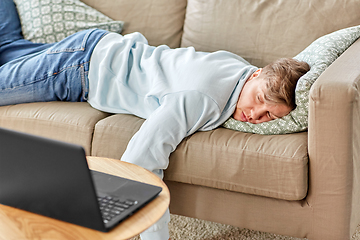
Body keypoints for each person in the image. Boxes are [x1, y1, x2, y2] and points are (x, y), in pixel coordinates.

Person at [0, 0, 310, 239]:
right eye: (258, 100)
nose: (255, 115)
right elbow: (142, 159)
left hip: (96, 48)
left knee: (8, 49)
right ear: (256, 74)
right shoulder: (202, 99)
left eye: (270, 115)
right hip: (77, 69)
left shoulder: (238, 68)